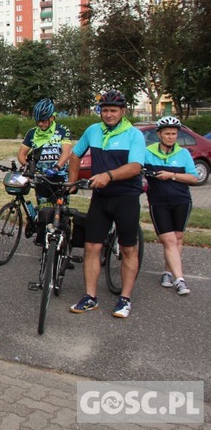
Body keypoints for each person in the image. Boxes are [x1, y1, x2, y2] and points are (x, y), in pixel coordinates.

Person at [66, 89, 146, 318]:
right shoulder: (93, 131)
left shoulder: (133, 134)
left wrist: (108, 176)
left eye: (113, 110)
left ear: (123, 111)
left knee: (129, 248)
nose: (108, 114)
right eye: (104, 110)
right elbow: (74, 155)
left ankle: (125, 298)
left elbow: (135, 167)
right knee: (92, 247)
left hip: (126, 197)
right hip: (100, 198)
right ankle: (90, 297)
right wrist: (72, 181)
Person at [144, 116, 198, 296]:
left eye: (174, 134)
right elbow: (138, 170)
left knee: (177, 238)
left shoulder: (183, 154)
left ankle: (168, 273)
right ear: (159, 134)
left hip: (181, 200)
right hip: (158, 202)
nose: (171, 137)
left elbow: (193, 177)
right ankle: (180, 280)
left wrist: (171, 175)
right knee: (168, 240)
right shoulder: (148, 152)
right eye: (167, 133)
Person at [17, 98, 72, 204]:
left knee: (61, 213)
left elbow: (66, 153)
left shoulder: (63, 130)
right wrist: (26, 166)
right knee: (43, 213)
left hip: (60, 177)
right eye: (38, 121)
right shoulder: (32, 133)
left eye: (43, 121)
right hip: (41, 178)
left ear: (52, 117)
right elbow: (21, 154)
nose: (40, 124)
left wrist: (56, 168)